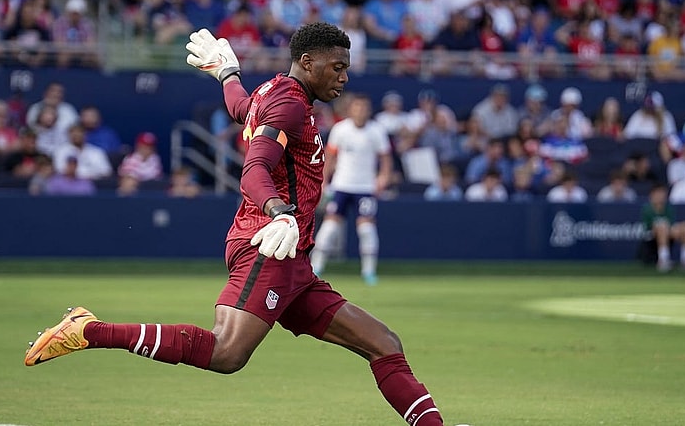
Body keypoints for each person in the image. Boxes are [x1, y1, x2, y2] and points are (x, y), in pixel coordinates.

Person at [24, 23, 448, 426]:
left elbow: (241, 108)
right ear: (306, 61)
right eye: (337, 67)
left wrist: (227, 73)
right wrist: (278, 211)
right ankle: (90, 331)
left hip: (292, 260)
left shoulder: (276, 94)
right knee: (226, 352)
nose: (344, 78)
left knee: (383, 343)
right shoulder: (288, 103)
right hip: (267, 244)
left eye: (346, 69)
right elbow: (254, 168)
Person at [309, 92, 393, 286]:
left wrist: (383, 177)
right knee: (329, 228)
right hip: (341, 186)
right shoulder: (340, 130)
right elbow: (329, 158)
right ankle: (315, 268)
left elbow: (385, 158)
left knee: (366, 230)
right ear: (350, 109)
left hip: (365, 188)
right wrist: (323, 181)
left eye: (364, 107)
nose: (360, 111)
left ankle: (369, 272)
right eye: (357, 107)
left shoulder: (376, 131)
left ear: (369, 110)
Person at [641, 184, 685, 272]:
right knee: (662, 227)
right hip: (651, 235)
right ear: (652, 195)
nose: (661, 196)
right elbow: (648, 226)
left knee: (684, 226)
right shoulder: (647, 209)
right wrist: (662, 227)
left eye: (663, 194)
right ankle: (663, 260)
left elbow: (671, 224)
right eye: (658, 193)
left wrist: (674, 230)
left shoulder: (668, 208)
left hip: (667, 232)